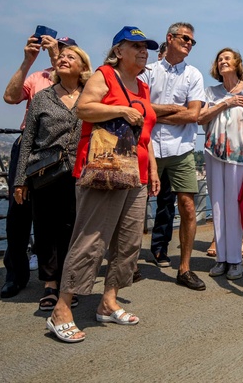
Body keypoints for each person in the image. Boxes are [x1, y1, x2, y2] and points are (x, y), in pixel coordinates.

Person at [46, 26, 161, 343]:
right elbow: (83, 108)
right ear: (118, 51)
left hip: (134, 172)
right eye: (136, 46)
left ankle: (108, 302)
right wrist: (120, 109)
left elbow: (146, 134)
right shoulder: (105, 75)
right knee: (91, 238)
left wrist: (151, 169)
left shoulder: (143, 87)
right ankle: (62, 309)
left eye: (145, 47)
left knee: (128, 242)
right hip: (103, 168)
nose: (143, 51)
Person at [12, 45, 91, 311]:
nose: (63, 59)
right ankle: (49, 285)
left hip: (80, 173)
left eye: (71, 57)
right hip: (44, 172)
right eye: (61, 57)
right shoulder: (43, 98)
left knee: (72, 230)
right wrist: (20, 180)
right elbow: (27, 142)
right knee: (45, 229)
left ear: (83, 67)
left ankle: (69, 284)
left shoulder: (91, 98)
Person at [0, 31, 76, 299]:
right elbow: (10, 97)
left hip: (64, 155)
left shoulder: (82, 83)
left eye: (67, 51)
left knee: (62, 220)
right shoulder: (37, 77)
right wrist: (27, 61)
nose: (61, 53)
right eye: (58, 49)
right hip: (32, 150)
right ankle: (15, 274)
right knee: (17, 215)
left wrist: (56, 57)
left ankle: (57, 280)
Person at [141, 22, 207, 291]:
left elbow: (193, 115)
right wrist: (171, 110)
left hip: (182, 149)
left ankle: (185, 268)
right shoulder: (147, 72)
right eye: (185, 38)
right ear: (169, 38)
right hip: (148, 146)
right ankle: (129, 263)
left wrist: (155, 112)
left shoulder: (194, 75)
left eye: (193, 41)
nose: (189, 43)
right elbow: (139, 107)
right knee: (134, 206)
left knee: (187, 206)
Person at [197, 48, 243, 281]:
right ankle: (221, 258)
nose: (222, 61)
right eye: (219, 59)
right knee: (217, 206)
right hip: (214, 153)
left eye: (227, 58)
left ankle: (235, 259)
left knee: (234, 207)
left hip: (241, 155)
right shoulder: (211, 91)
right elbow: (201, 118)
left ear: (237, 63)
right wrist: (226, 103)